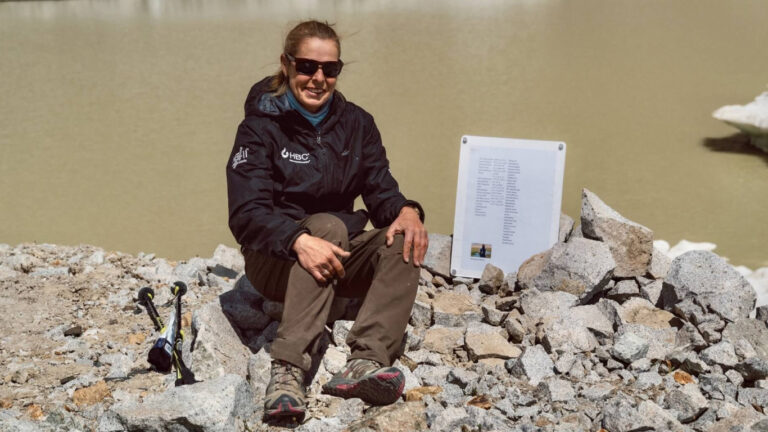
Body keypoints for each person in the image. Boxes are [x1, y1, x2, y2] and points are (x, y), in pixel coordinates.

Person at [226, 20, 428, 422]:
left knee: (403, 235)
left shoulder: (357, 124)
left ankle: (366, 361)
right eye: (306, 66)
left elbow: (381, 191)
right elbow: (246, 214)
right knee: (327, 226)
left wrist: (408, 210)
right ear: (286, 64)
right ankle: (287, 372)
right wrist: (298, 239)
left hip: (337, 258)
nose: (318, 78)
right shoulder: (260, 127)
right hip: (277, 261)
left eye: (330, 69)